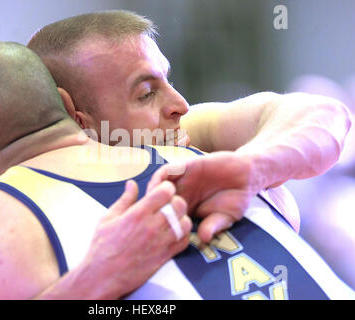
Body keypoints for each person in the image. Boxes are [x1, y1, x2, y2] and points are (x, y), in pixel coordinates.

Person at [0, 41, 353, 300]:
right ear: (71, 110)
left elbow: (321, 110)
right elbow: (328, 116)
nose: (177, 105)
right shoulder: (195, 153)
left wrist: (87, 285)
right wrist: (256, 168)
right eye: (145, 91)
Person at [27, 10, 353, 237]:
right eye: (145, 94)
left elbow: (327, 114)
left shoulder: (182, 134)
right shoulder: (37, 222)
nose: (181, 105)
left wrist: (250, 168)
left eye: (167, 80)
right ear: (75, 118)